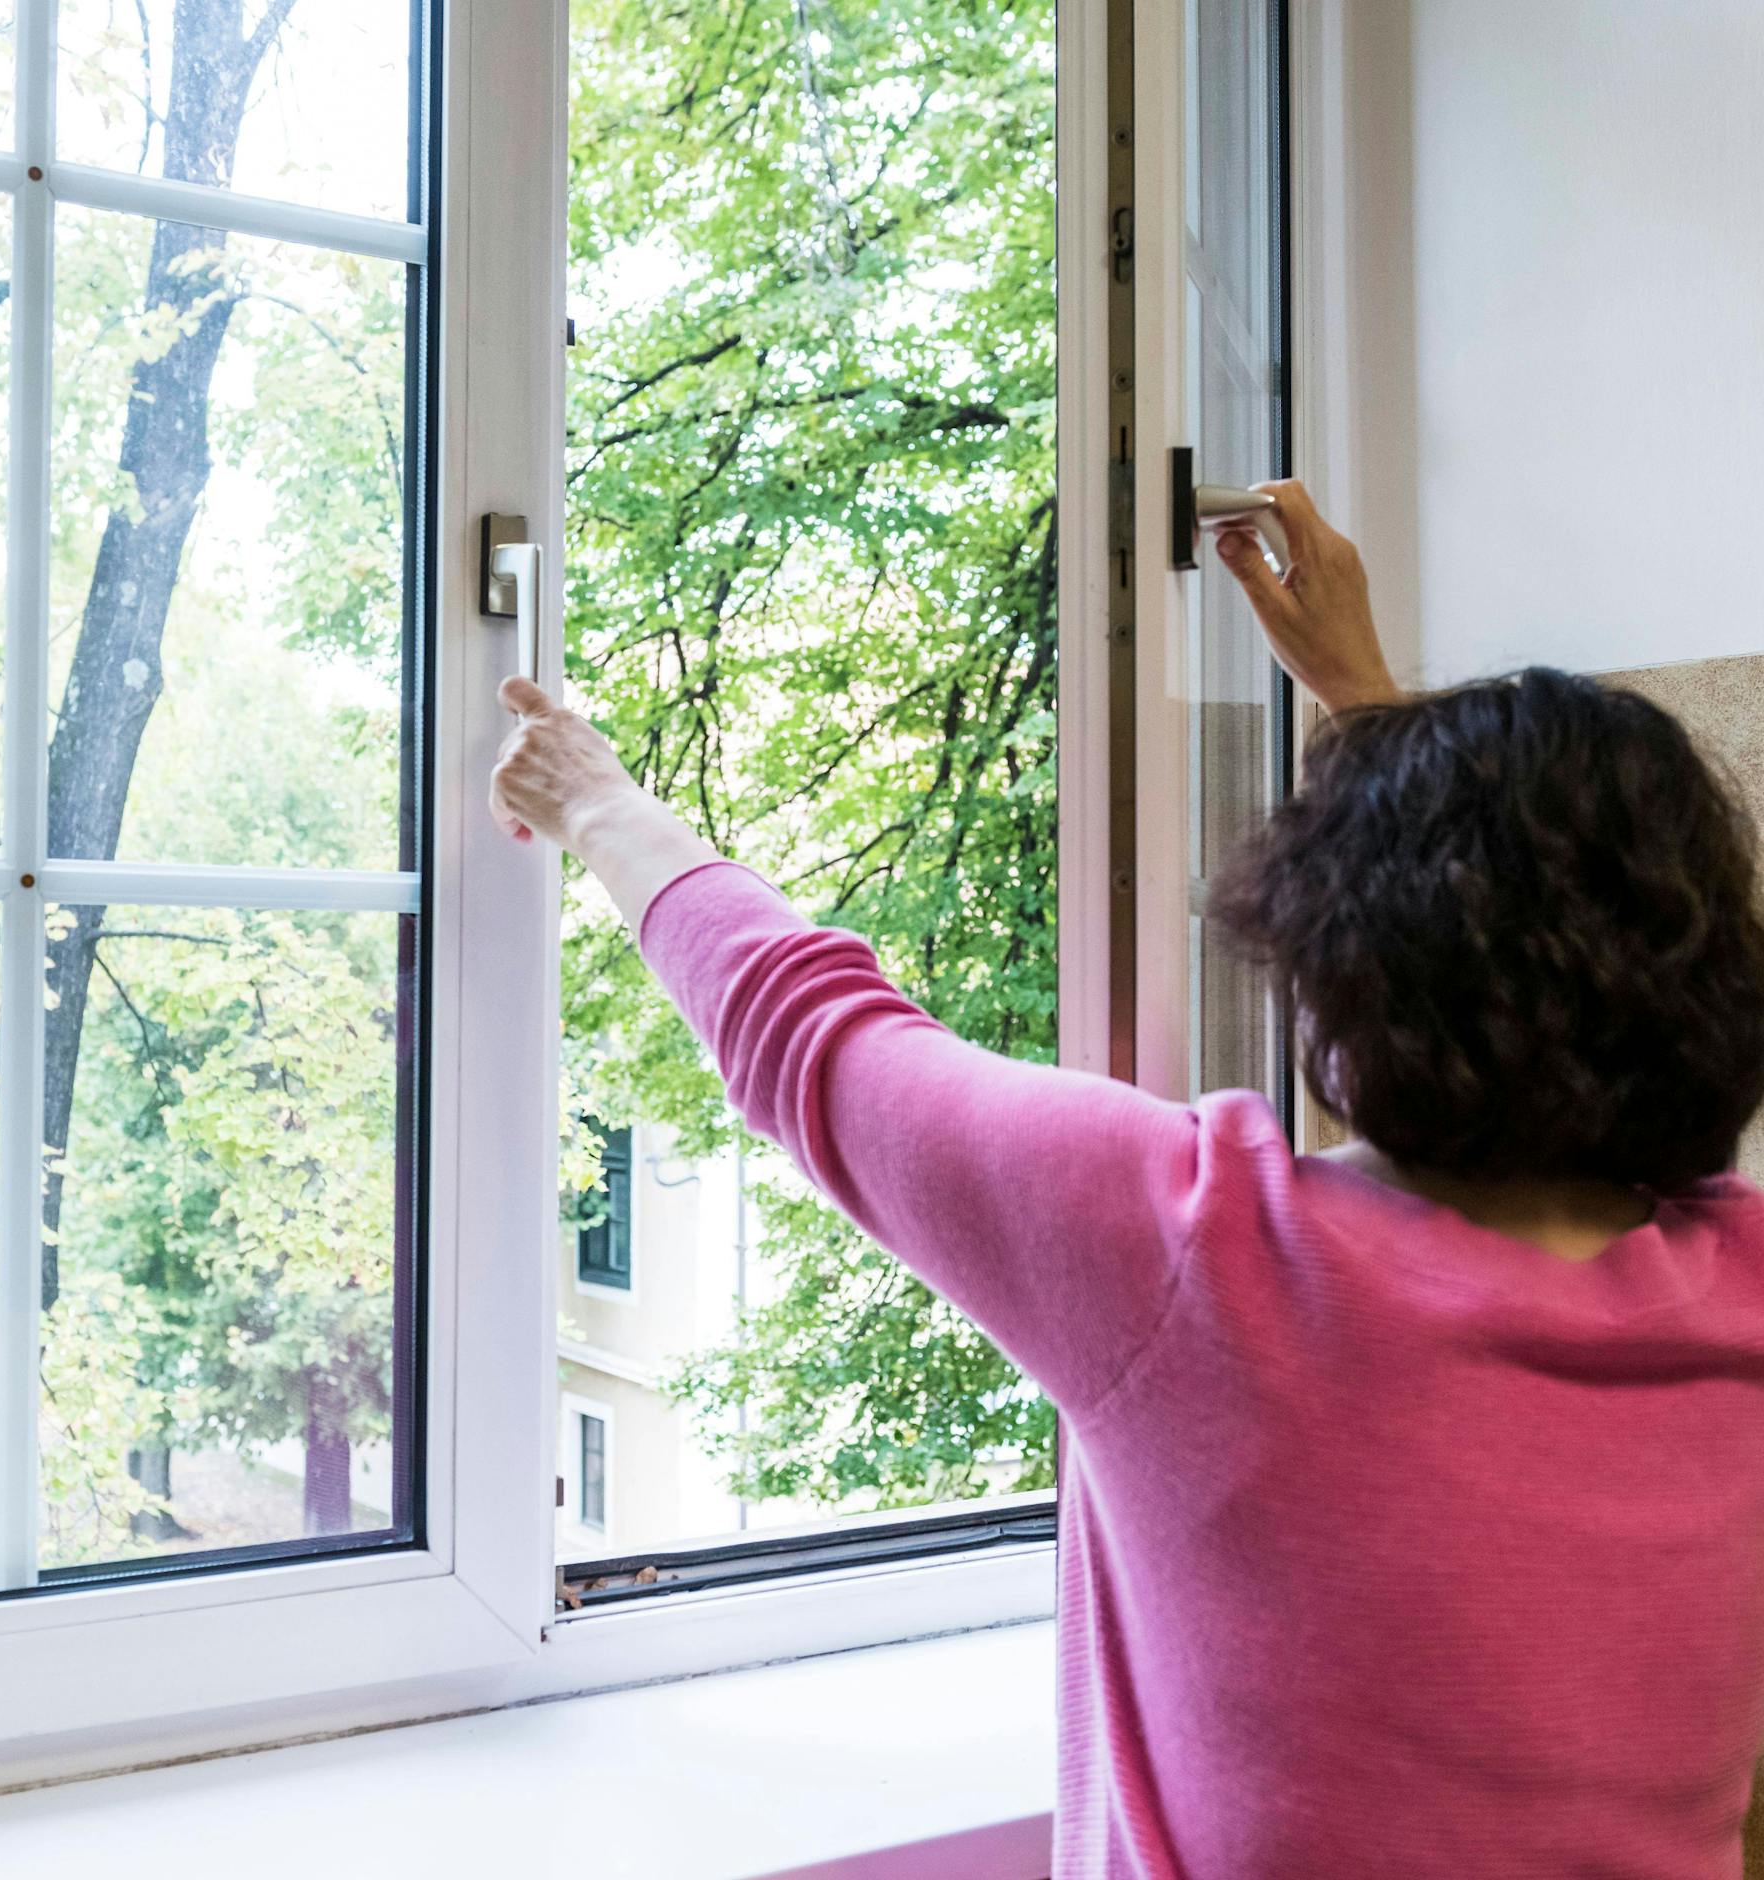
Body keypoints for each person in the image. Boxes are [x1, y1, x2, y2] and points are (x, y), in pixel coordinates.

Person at [489, 481, 1764, 1878]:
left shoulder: (1209, 1258)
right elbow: (1538, 956)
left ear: (1343, 976)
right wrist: (1373, 718)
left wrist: (594, 801)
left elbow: (811, 1031)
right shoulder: (1741, 1284)